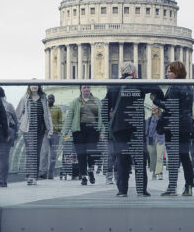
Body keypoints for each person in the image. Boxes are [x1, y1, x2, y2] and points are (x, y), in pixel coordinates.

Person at [105, 62, 150, 197]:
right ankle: (141, 190)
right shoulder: (140, 83)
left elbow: (106, 106)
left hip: (120, 128)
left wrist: (108, 125)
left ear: (121, 72)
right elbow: (158, 90)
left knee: (122, 160)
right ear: (134, 73)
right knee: (139, 159)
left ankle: (122, 191)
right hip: (136, 126)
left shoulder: (114, 86)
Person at [160, 61, 194, 197]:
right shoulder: (189, 87)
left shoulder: (174, 87)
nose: (167, 74)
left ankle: (172, 187)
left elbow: (170, 107)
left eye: (169, 71)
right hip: (186, 125)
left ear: (176, 72)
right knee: (185, 157)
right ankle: (189, 186)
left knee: (173, 158)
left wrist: (156, 100)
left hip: (174, 126)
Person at [16, 84, 53, 185]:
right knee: (31, 152)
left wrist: (50, 128)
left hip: (40, 129)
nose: (34, 86)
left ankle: (34, 177)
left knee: (36, 152)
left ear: (39, 86)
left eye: (36, 85)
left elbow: (47, 114)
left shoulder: (43, 98)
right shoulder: (25, 98)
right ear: (29, 86)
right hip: (28, 129)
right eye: (32, 85)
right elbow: (18, 113)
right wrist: (14, 127)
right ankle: (30, 177)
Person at [67, 85, 103, 185]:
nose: (86, 89)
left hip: (93, 130)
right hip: (79, 131)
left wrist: (102, 131)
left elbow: (102, 117)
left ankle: (90, 171)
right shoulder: (75, 102)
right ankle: (83, 176)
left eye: (88, 87)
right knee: (81, 154)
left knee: (92, 153)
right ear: (81, 89)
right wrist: (65, 131)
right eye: (84, 87)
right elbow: (70, 116)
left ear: (90, 89)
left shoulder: (97, 101)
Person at [0, 87, 17, 188]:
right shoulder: (9, 105)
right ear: (4, 95)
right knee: (4, 157)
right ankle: (2, 180)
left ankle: (0, 180)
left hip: (0, 133)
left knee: (0, 158)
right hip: (8, 132)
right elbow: (15, 120)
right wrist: (15, 134)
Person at [39, 94, 63, 179]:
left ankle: (51, 173)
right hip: (45, 133)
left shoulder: (58, 109)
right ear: (47, 100)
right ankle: (43, 172)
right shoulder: (43, 109)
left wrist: (59, 132)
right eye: (49, 98)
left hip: (55, 134)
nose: (51, 100)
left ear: (54, 100)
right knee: (44, 152)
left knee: (53, 154)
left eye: (52, 98)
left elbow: (60, 121)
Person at [146, 99, 166, 180]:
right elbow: (146, 131)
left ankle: (160, 173)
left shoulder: (162, 118)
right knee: (152, 157)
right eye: (152, 109)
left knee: (159, 157)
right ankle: (154, 171)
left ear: (158, 109)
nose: (153, 110)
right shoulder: (149, 120)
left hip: (160, 139)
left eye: (155, 109)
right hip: (151, 140)